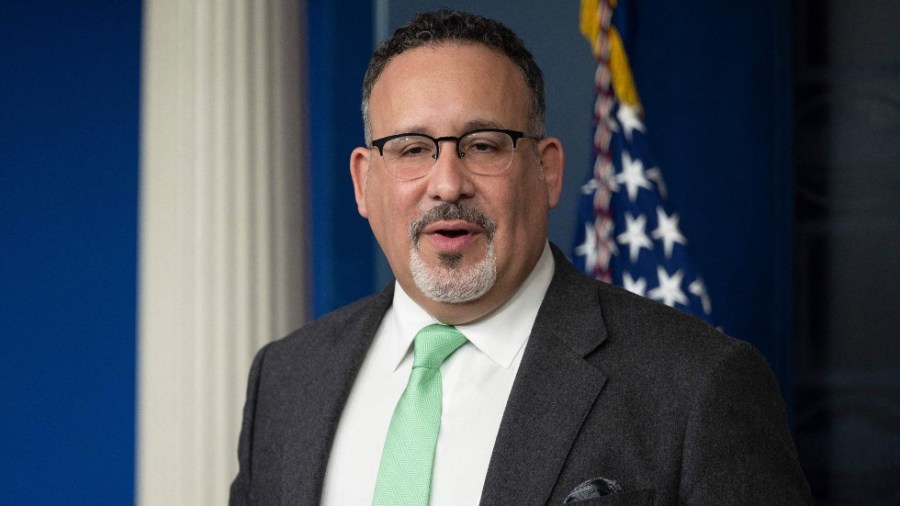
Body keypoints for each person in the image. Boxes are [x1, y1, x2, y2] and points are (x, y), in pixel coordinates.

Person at [230, 8, 811, 505]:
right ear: (363, 182)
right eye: (411, 149)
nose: (447, 183)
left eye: (483, 145)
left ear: (548, 170)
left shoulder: (697, 384)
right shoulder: (285, 380)